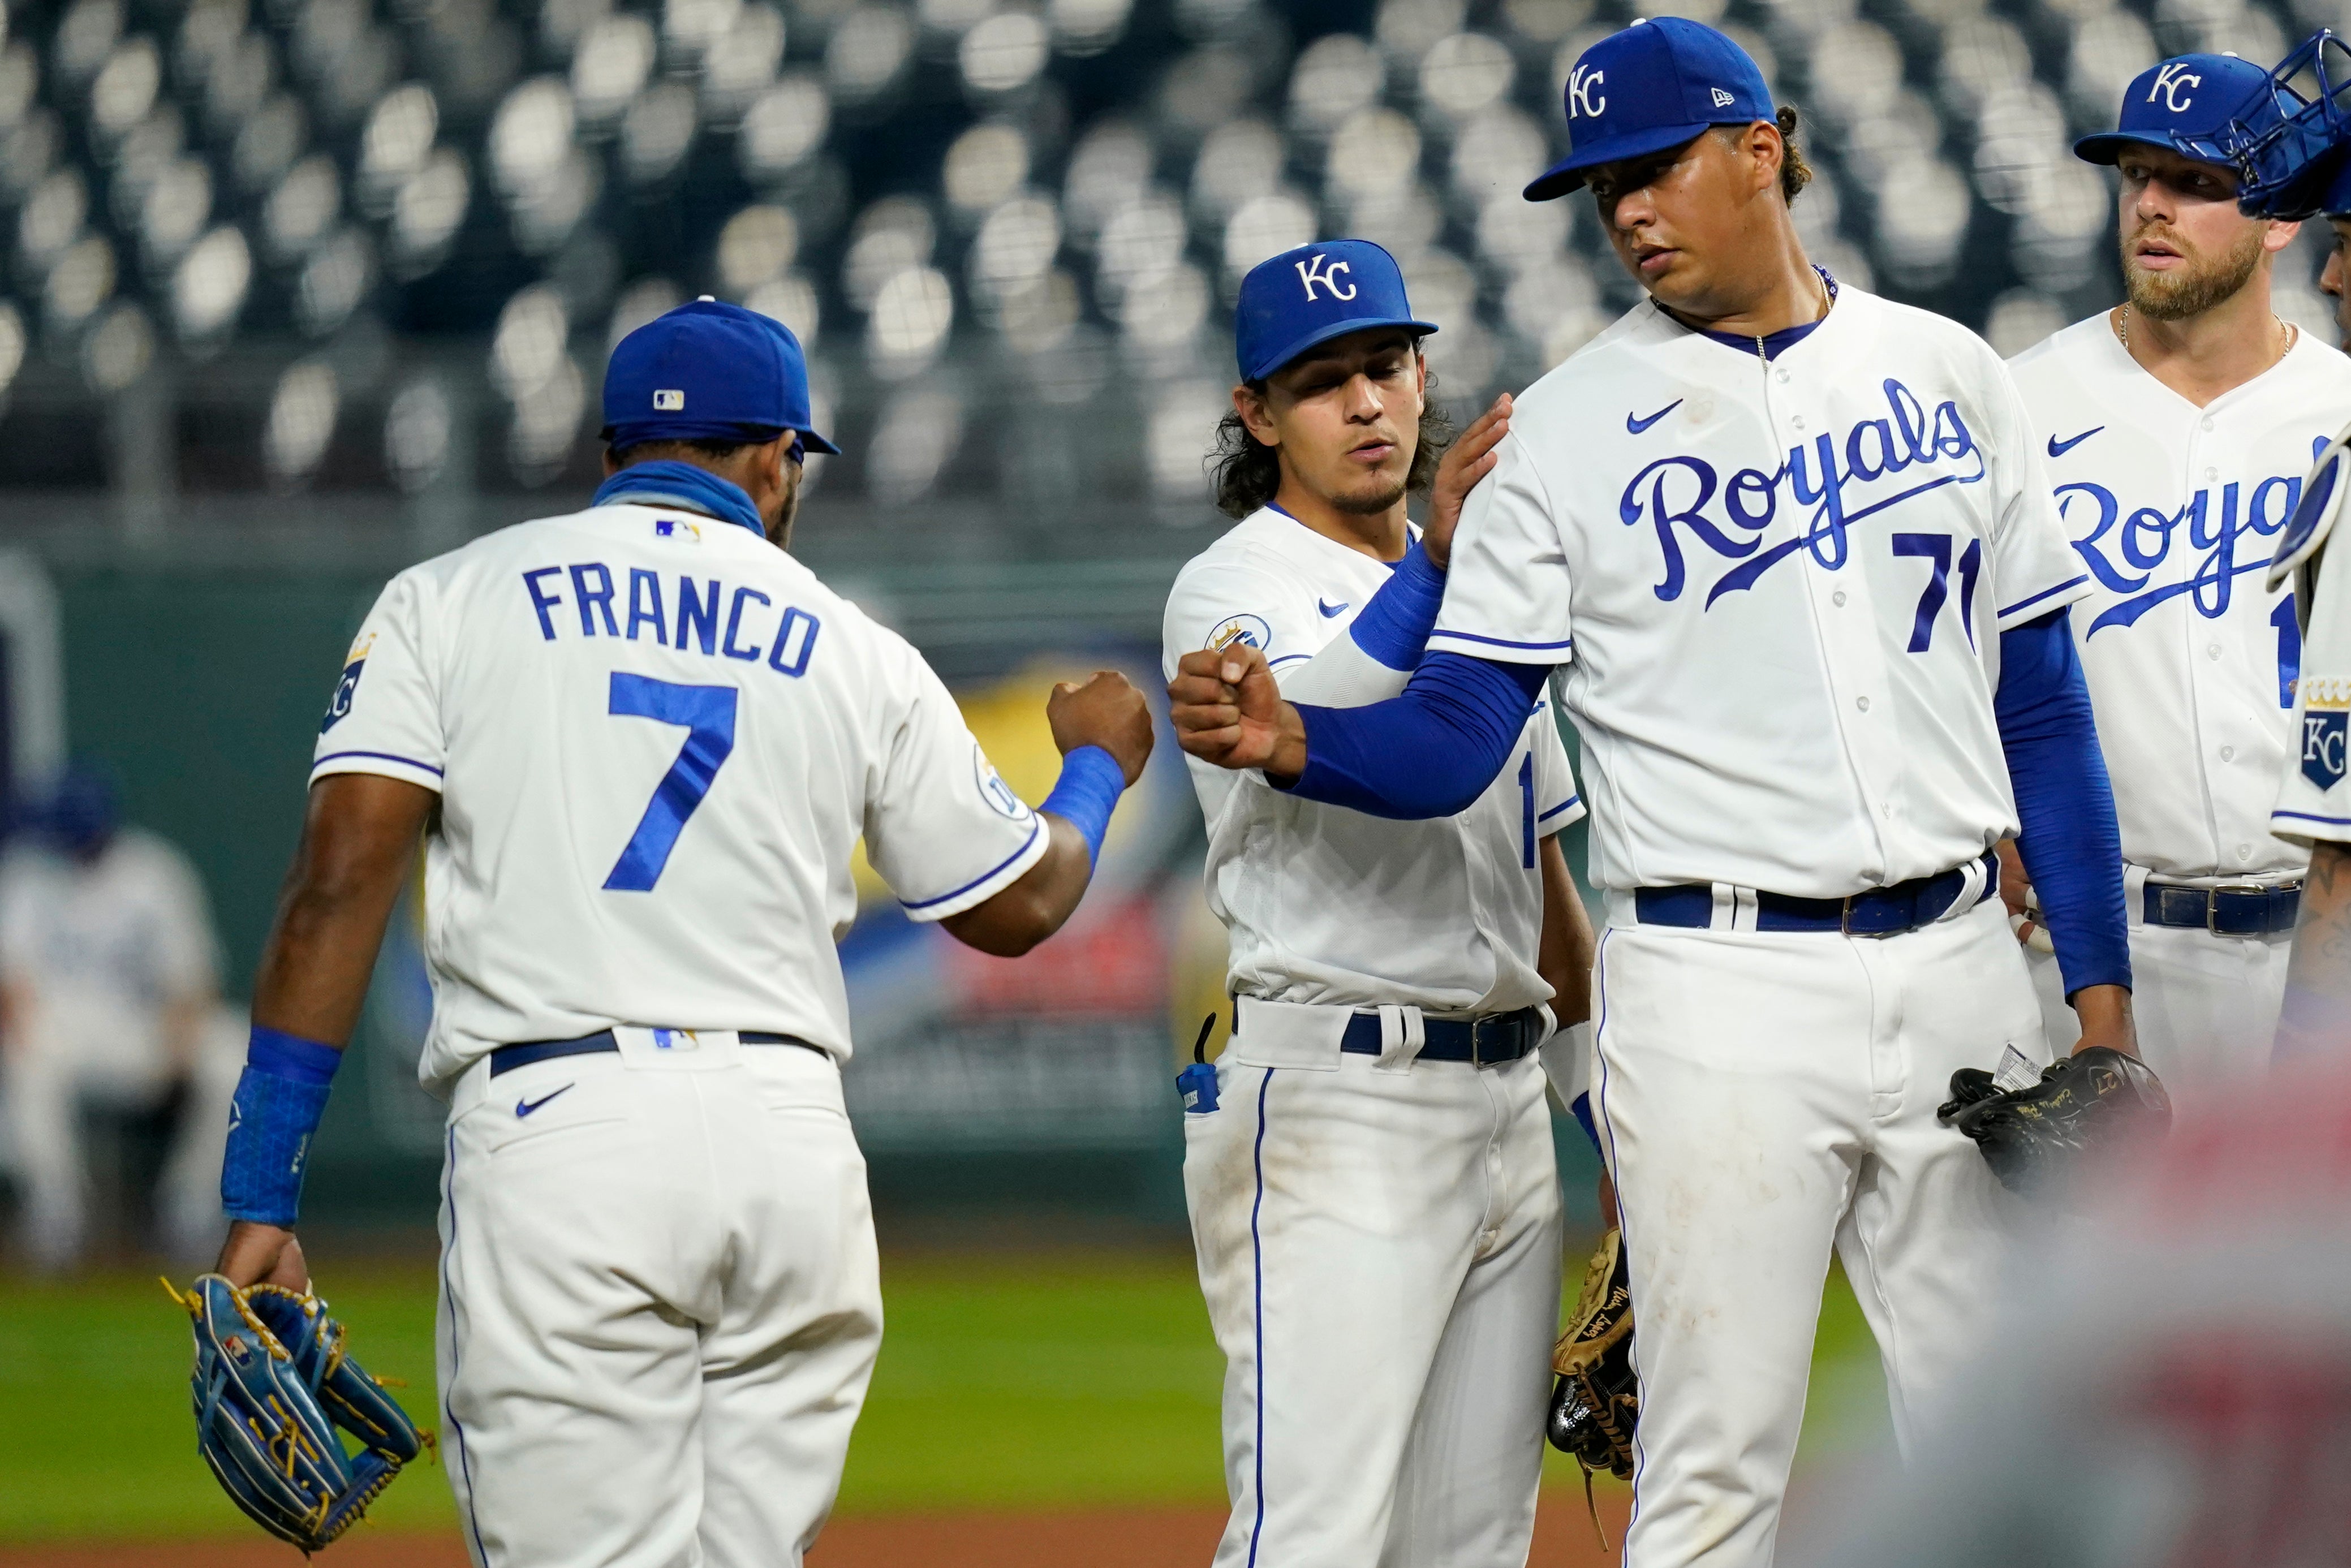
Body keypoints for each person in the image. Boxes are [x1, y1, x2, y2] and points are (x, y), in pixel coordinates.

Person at [1169, 21, 2134, 1568]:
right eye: (1601, 187)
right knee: (1706, 1472)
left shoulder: (1947, 373)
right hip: (1715, 980)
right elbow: (1457, 738)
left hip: (1965, 971)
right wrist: (1302, 743)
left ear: (1763, 150)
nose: (1626, 212)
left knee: (1997, 1451)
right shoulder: (1558, 431)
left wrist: (2101, 1009)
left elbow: (2045, 707)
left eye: (1654, 169)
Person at [204, 299, 1155, 1568]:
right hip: (789, 1149)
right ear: (776, 462)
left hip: (563, 1135)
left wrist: (262, 1186)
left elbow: (337, 885)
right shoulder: (848, 643)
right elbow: (1023, 898)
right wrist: (1090, 768)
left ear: (609, 458)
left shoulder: (449, 598)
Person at [1165, 239, 1598, 1568]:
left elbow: (1543, 884)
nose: (1364, 404)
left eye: (1384, 367)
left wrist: (1604, 1123)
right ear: (1256, 415)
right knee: (1312, 1536)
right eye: (1319, 383)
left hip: (1504, 1105)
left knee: (1471, 1543)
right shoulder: (1234, 585)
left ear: (1421, 378)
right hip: (1335, 1094)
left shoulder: (1491, 587)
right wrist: (1433, 574)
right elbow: (1314, 727)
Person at [2002, 57, 2351, 1095]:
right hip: (2089, 960)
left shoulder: (2342, 407)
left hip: (2319, 943)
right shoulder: (2016, 406)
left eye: (2199, 183)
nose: (2153, 205)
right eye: (2137, 176)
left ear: (2283, 218)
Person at [0, 764, 227, 1269]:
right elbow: (12, 987)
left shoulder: (153, 871)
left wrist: (180, 1047)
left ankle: (189, 1205)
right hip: (64, 1033)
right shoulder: (28, 875)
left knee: (232, 1053)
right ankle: (57, 1211)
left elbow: (192, 979)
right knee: (23, 1050)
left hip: (145, 1033)